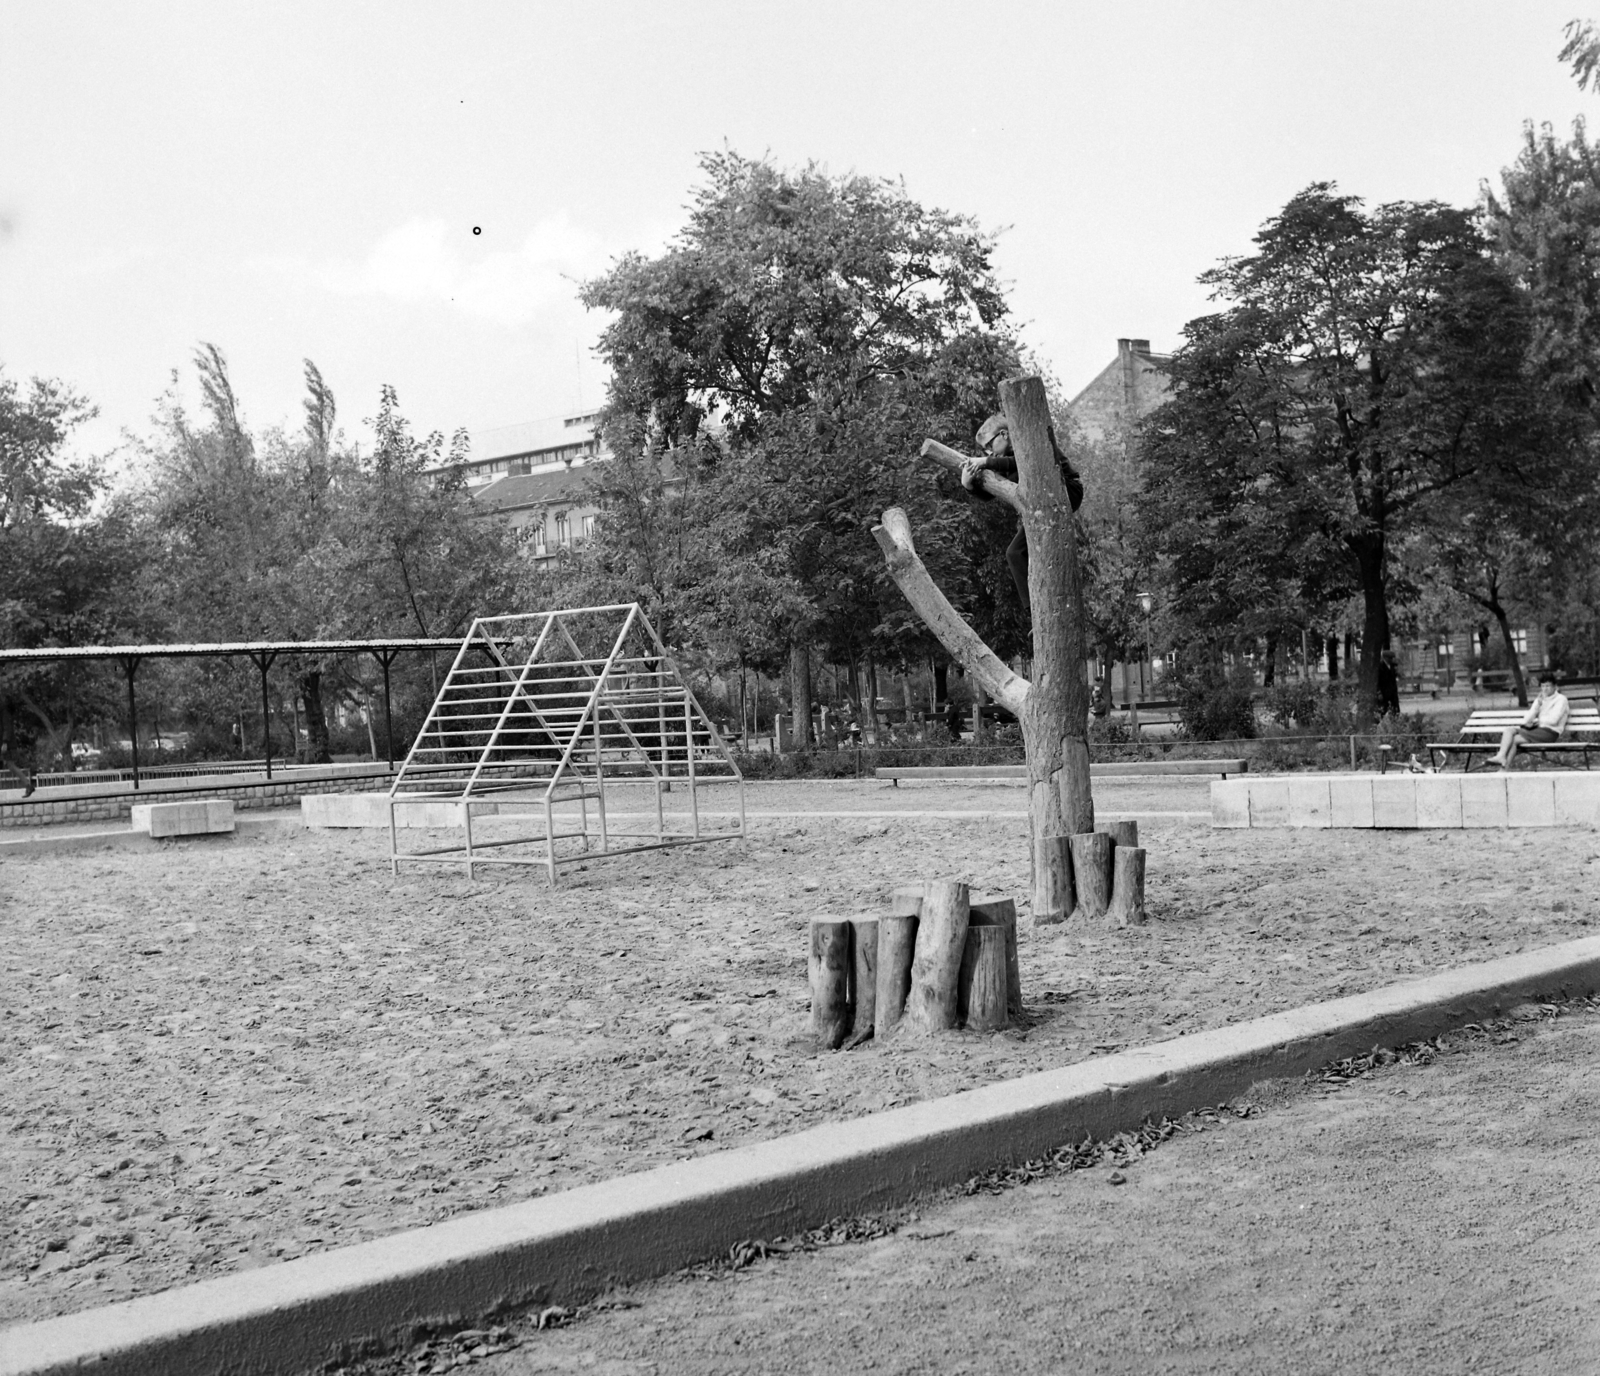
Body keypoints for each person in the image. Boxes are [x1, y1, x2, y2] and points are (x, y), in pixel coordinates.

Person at [959, 413, 1084, 618]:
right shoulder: (1005, 461)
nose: (988, 452)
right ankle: (1035, 613)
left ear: (1004, 435)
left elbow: (1017, 462)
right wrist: (968, 485)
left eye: (989, 446)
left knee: (1017, 551)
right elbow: (996, 489)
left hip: (1067, 489)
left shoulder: (1027, 443)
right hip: (1042, 502)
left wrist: (985, 461)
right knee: (1015, 553)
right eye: (984, 451)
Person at [1488, 671, 1570, 769]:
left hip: (1550, 733)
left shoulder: (1561, 699)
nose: (1545, 689)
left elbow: (1553, 721)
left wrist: (1539, 720)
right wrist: (1537, 706)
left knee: (1514, 740)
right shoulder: (1540, 699)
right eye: (1543, 686)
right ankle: (1501, 756)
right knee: (1509, 731)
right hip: (1538, 731)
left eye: (1548, 686)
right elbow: (1526, 720)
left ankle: (1504, 768)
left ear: (1554, 687)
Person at [1377, 649, 1401, 717]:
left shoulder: (1392, 666)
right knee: (1382, 711)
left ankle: (1395, 724)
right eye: (1390, 658)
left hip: (1393, 692)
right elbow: (1378, 681)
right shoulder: (1380, 666)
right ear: (1385, 658)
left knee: (1395, 711)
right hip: (1384, 692)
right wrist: (1379, 693)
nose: (1392, 660)